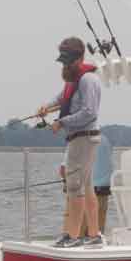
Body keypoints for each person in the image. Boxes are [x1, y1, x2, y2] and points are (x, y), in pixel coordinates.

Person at [36, 36, 103, 247]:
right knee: (87, 187)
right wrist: (46, 107)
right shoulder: (74, 81)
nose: (65, 65)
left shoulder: (88, 80)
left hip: (83, 138)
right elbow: (60, 100)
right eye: (63, 61)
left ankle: (73, 237)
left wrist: (61, 122)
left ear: (80, 58)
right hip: (80, 139)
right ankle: (94, 235)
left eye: (69, 61)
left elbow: (89, 113)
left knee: (74, 187)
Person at [58, 133, 114, 238]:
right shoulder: (105, 139)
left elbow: (63, 170)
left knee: (75, 235)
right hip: (103, 192)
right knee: (96, 235)